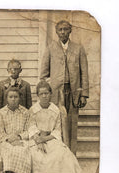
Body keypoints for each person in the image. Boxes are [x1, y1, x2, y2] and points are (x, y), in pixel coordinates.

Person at [40, 20, 89, 154]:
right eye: (60, 30)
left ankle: (71, 156)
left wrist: (84, 94)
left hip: (73, 92)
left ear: (70, 31)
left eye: (66, 29)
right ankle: (57, 154)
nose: (63, 32)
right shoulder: (51, 48)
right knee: (57, 122)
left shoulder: (78, 49)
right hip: (57, 93)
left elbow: (84, 72)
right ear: (56, 32)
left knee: (72, 124)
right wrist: (50, 88)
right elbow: (43, 74)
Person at [28, 81, 81, 173]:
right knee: (36, 151)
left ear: (51, 94)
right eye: (41, 94)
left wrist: (46, 138)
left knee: (60, 150)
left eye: (46, 93)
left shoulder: (55, 110)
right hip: (37, 137)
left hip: (50, 137)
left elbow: (57, 130)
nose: (44, 96)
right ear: (38, 95)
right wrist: (38, 138)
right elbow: (31, 126)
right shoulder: (33, 109)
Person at [0, 87, 31, 173]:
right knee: (8, 151)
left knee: (23, 150)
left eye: (16, 97)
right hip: (6, 141)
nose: (13, 99)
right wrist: (9, 139)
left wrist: (19, 137)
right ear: (7, 98)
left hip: (22, 140)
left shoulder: (25, 112)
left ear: (20, 98)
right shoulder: (1, 113)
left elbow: (29, 130)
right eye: (11, 97)